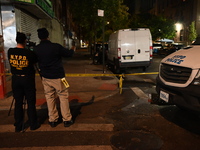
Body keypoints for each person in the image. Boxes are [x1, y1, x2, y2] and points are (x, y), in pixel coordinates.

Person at [33, 28, 75, 128]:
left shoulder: (37, 49)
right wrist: (73, 48)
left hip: (46, 77)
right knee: (63, 97)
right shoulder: (56, 47)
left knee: (49, 97)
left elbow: (34, 62)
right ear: (48, 36)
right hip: (59, 77)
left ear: (39, 37)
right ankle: (67, 119)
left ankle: (53, 120)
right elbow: (69, 54)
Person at [8, 32, 40, 132]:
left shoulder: (10, 51)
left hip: (16, 79)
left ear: (16, 40)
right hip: (27, 79)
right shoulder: (29, 53)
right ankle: (33, 124)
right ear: (25, 41)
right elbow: (35, 62)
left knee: (18, 103)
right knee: (30, 102)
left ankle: (18, 125)